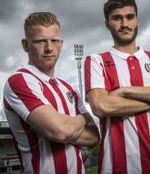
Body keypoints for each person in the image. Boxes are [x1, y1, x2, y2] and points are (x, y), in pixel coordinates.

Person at [84, 0, 150, 174]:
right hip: (116, 167)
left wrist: (123, 91)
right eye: (117, 18)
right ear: (107, 23)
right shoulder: (96, 61)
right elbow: (101, 106)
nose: (125, 24)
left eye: (130, 17)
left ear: (137, 20)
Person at [3, 12, 99, 174]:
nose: (49, 48)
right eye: (40, 41)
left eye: (54, 41)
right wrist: (83, 118)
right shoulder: (19, 81)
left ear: (61, 44)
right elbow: (60, 130)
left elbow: (94, 137)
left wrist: (64, 127)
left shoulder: (69, 89)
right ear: (25, 45)